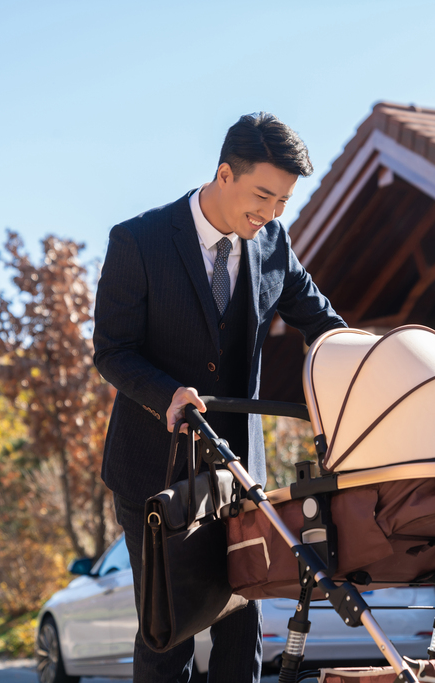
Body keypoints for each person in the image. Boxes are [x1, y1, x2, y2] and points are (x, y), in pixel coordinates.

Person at [93, 112, 345, 683]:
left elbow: (325, 327)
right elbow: (112, 351)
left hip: (240, 477)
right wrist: (167, 395)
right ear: (224, 173)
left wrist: (370, 368)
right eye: (263, 195)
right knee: (170, 634)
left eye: (283, 201)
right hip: (152, 472)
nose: (272, 213)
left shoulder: (272, 243)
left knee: (241, 630)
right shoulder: (139, 240)